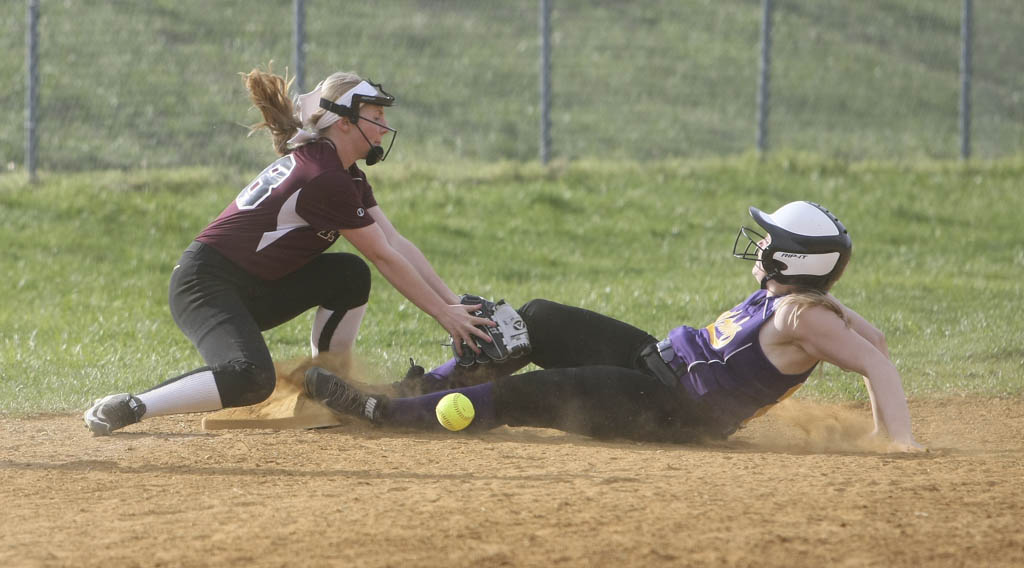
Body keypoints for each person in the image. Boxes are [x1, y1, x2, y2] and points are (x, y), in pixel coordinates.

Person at [303, 201, 926, 452]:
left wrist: (893, 441)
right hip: (658, 363)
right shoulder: (798, 302)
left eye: (772, 241)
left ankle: (385, 415)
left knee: (535, 394)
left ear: (797, 260)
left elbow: (877, 361)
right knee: (538, 318)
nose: (761, 244)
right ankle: (415, 391)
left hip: (674, 409)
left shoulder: (800, 314)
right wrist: (841, 315)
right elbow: (877, 341)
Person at [83, 66, 494, 435]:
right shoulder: (324, 177)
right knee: (250, 378)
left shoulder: (343, 173)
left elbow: (396, 243)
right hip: (205, 286)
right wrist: (445, 316)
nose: (385, 126)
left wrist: (454, 306)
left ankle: (328, 385)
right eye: (376, 115)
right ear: (345, 122)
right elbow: (384, 256)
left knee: (349, 275)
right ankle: (132, 405)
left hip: (251, 285)